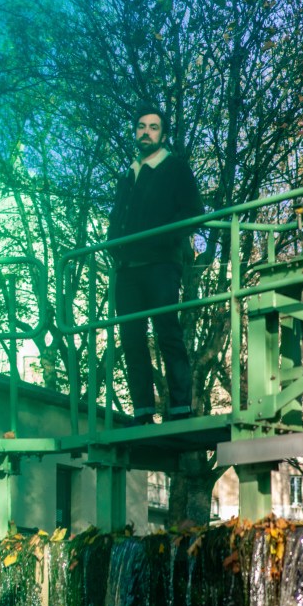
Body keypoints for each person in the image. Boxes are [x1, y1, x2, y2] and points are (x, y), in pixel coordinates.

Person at [108, 104, 204, 424]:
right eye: (141, 126)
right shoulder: (128, 175)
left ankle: (180, 408)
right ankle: (143, 411)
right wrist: (114, 245)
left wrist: (164, 240)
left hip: (161, 264)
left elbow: (193, 211)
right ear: (135, 132)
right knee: (132, 339)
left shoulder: (175, 168)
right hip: (128, 269)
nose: (146, 132)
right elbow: (117, 218)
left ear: (162, 135)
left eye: (153, 127)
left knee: (167, 332)